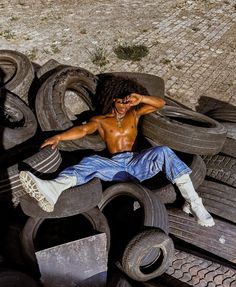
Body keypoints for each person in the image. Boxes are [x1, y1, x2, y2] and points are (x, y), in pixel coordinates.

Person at [19, 93, 215, 227]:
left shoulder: (134, 113)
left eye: (128, 102)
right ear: (113, 100)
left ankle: (194, 202)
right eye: (122, 102)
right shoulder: (101, 120)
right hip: (113, 165)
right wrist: (59, 137)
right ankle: (53, 189)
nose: (125, 106)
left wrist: (141, 98)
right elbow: (83, 130)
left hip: (137, 163)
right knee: (90, 161)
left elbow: (161, 104)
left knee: (163, 151)